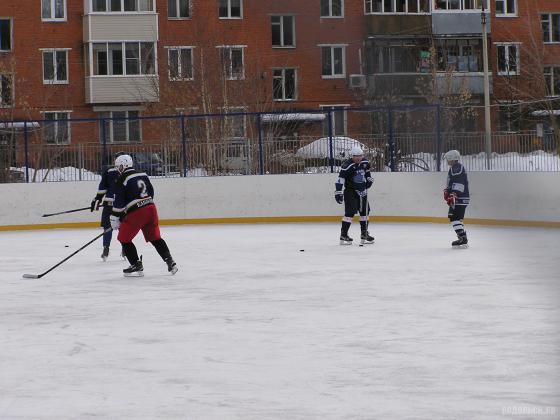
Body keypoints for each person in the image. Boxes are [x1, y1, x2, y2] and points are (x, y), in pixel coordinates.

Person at [109, 154, 178, 277]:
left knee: (123, 238)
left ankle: (135, 263)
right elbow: (151, 192)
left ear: (124, 165)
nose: (117, 169)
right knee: (155, 238)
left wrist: (115, 217)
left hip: (138, 213)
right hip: (151, 208)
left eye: (119, 167)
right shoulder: (143, 174)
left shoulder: (122, 179)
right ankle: (170, 261)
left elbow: (119, 202)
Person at [335, 145, 375, 245]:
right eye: (356, 156)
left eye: (360, 156)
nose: (358, 158)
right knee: (350, 212)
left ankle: (364, 233)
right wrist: (338, 192)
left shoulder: (365, 163)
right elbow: (340, 180)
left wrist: (369, 180)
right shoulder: (347, 165)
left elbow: (367, 174)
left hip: (362, 191)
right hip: (350, 191)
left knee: (365, 212)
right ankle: (344, 234)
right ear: (352, 156)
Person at [91, 151, 126, 261]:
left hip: (109, 205)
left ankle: (106, 248)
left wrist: (97, 199)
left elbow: (103, 188)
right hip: (123, 206)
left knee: (107, 228)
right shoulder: (129, 173)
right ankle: (125, 247)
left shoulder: (109, 171)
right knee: (123, 228)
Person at [443, 149, 470, 247]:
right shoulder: (455, 167)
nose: (447, 161)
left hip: (459, 198)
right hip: (460, 198)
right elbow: (452, 182)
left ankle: (462, 238)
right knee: (457, 218)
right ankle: (462, 237)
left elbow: (459, 183)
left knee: (454, 217)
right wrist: (447, 191)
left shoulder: (457, 168)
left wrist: (453, 194)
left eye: (448, 159)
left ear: (452, 158)